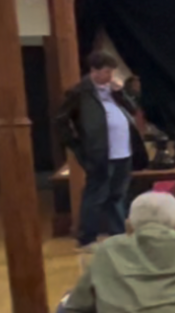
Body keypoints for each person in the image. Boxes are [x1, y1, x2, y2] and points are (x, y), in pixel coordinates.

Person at [56, 52, 140, 251]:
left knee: (117, 195)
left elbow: (133, 109)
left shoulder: (113, 91)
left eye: (112, 72)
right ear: (93, 71)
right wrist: (77, 145)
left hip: (123, 152)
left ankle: (118, 235)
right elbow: (60, 120)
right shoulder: (79, 93)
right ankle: (87, 239)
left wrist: (120, 93)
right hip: (99, 153)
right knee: (95, 196)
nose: (110, 76)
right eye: (106, 72)